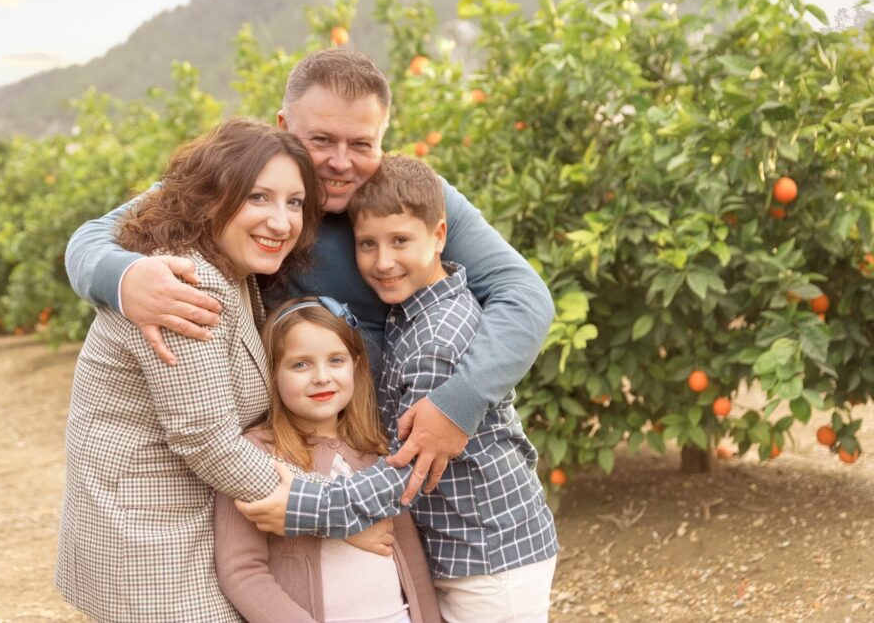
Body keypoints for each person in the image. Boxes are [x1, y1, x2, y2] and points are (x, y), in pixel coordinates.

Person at [64, 48, 555, 503]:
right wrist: (124, 278)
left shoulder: (408, 201)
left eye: (361, 144)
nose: (340, 163)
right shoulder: (248, 178)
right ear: (284, 124)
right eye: (320, 140)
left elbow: (524, 295)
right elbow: (91, 237)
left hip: (404, 450)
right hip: (291, 455)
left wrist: (458, 404)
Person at [237, 156, 558, 622]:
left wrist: (305, 505)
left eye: (400, 241)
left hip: (489, 557)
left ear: (440, 236)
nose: (383, 262)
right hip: (466, 550)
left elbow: (408, 471)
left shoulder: (437, 340)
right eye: (368, 244)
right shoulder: (410, 313)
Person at [54, 118, 325, 622]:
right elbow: (205, 436)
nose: (282, 221)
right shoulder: (187, 283)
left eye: (294, 202)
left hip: (179, 517)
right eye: (258, 198)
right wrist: (326, 509)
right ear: (210, 198)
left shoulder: (231, 269)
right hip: (153, 534)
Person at [213, 297, 441, 623]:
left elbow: (409, 557)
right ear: (272, 372)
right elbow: (242, 571)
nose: (321, 377)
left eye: (335, 360)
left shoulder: (375, 450)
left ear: (357, 365)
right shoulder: (256, 454)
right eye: (300, 364)